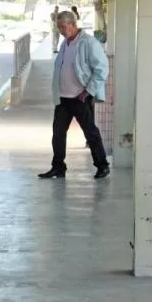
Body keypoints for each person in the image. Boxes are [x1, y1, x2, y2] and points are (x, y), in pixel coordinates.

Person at [38, 11, 110, 180]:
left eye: (64, 27)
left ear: (73, 24)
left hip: (80, 97)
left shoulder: (89, 43)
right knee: (58, 134)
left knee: (90, 132)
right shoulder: (65, 44)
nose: (62, 31)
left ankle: (102, 165)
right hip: (63, 98)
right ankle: (58, 167)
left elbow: (102, 69)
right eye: (59, 28)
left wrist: (88, 92)